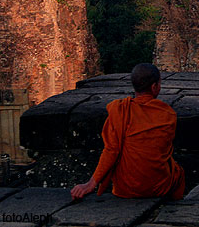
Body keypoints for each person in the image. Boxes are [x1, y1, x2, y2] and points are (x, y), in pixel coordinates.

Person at [70, 63, 185, 200]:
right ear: (154, 87)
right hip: (158, 187)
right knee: (178, 172)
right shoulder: (168, 114)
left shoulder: (120, 110)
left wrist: (90, 184)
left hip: (126, 188)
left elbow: (112, 150)